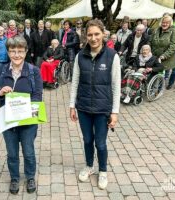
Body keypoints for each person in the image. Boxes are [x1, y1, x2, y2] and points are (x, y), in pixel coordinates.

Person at [0, 36, 43, 195]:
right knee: (12, 153)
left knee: (29, 152)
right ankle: (15, 178)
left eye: (20, 51)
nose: (17, 55)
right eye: (13, 51)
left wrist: (26, 108)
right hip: (8, 122)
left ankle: (30, 176)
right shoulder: (1, 70)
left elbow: (38, 96)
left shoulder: (33, 71)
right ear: (8, 52)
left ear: (26, 51)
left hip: (28, 121)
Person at [69, 19, 121, 190]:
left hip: (102, 109)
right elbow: (75, 82)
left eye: (96, 34)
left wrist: (115, 112)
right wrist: (72, 105)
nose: (93, 38)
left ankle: (103, 171)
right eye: (90, 34)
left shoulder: (112, 56)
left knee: (100, 143)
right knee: (87, 140)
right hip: (83, 107)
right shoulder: (80, 56)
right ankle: (89, 166)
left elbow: (116, 85)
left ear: (103, 34)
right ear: (86, 35)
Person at [150, 15, 175, 79]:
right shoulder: (156, 30)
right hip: (155, 56)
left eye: (167, 23)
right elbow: (150, 41)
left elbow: (174, 46)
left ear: (170, 23)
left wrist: (164, 56)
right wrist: (149, 51)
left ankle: (160, 88)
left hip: (165, 58)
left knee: (160, 76)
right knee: (153, 74)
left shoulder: (173, 32)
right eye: (163, 22)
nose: (164, 24)